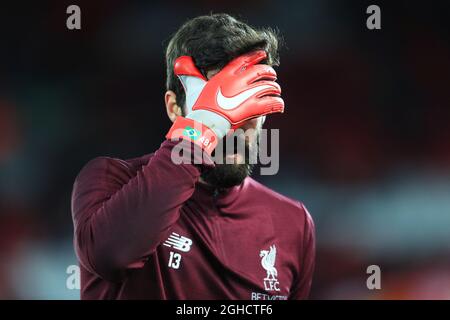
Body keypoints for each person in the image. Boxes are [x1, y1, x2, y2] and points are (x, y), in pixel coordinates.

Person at [71, 13, 315, 300]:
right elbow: (111, 257)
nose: (233, 121)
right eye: (217, 102)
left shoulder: (292, 222)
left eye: (250, 99)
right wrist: (201, 130)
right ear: (175, 108)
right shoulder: (110, 179)